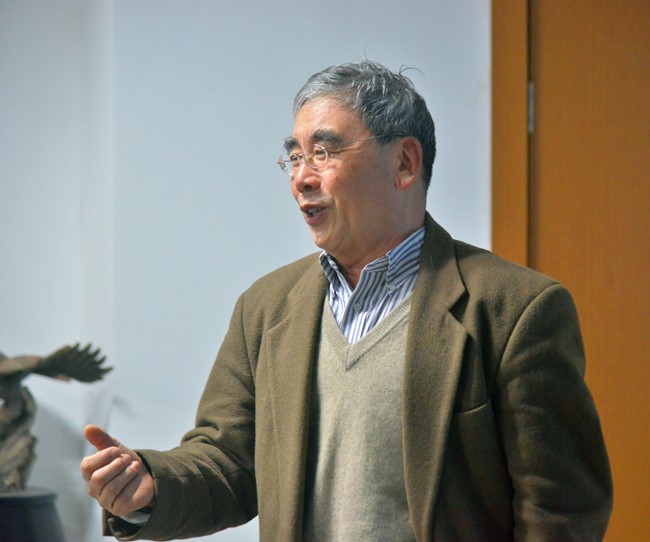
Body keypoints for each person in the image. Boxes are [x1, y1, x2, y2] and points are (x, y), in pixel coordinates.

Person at [80, 60, 613, 541]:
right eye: (294, 157)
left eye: (323, 152)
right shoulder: (265, 308)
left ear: (405, 163)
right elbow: (229, 461)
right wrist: (151, 487)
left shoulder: (514, 309)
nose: (301, 178)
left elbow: (561, 510)